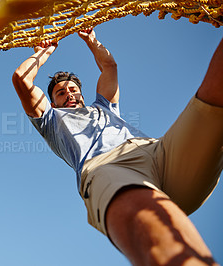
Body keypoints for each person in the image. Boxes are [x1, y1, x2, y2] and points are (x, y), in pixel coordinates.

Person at [12, 27, 223, 265]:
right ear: (53, 102)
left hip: (159, 154)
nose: (69, 94)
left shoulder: (104, 106)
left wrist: (91, 40)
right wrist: (44, 51)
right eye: (61, 93)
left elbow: (110, 67)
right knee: (155, 229)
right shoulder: (51, 120)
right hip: (107, 167)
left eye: (73, 89)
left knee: (213, 99)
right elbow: (22, 79)